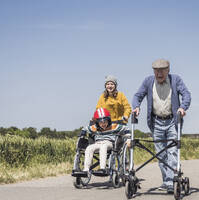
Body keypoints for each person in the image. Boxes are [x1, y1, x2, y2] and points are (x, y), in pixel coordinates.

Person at [132, 58, 191, 192]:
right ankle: (166, 181)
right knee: (160, 154)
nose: (159, 74)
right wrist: (136, 107)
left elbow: (186, 94)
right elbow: (137, 96)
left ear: (168, 70)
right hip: (156, 122)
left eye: (162, 71)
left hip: (172, 121)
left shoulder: (176, 80)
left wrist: (183, 107)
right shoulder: (148, 81)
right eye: (156, 71)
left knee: (172, 151)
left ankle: (171, 181)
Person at [81, 107, 130, 176]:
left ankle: (102, 168)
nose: (103, 124)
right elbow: (85, 128)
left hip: (109, 143)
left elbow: (125, 128)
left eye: (105, 122)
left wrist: (128, 138)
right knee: (89, 148)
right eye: (101, 122)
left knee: (103, 147)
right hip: (98, 143)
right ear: (97, 123)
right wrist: (82, 135)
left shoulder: (113, 126)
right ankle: (86, 170)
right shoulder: (95, 127)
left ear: (108, 120)